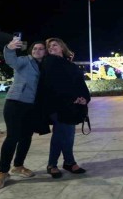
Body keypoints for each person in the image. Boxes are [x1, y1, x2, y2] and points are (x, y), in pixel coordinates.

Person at [0, 39, 46, 191]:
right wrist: (9, 48)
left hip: (31, 105)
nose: (37, 51)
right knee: (12, 137)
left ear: (45, 52)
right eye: (35, 48)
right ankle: (2, 172)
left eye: (41, 49)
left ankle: (18, 166)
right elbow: (11, 60)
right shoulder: (24, 61)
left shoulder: (44, 66)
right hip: (15, 102)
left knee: (26, 137)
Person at [38, 37, 91, 178]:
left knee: (68, 134)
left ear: (62, 47)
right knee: (62, 134)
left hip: (72, 106)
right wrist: (73, 98)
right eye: (49, 47)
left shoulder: (69, 64)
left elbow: (80, 83)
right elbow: (54, 85)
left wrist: (84, 98)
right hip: (58, 105)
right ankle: (56, 164)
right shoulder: (50, 62)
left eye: (55, 45)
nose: (51, 48)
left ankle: (65, 162)